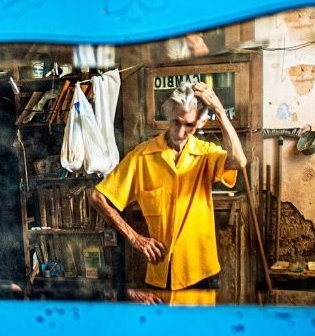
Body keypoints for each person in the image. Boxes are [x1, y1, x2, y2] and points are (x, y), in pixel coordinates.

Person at [90, 82, 247, 305]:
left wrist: (219, 111)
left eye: (189, 125)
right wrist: (135, 238)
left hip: (200, 271)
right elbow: (97, 196)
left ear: (200, 122)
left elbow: (238, 161)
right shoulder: (141, 157)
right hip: (160, 270)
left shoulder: (206, 154)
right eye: (176, 122)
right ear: (167, 115)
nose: (181, 132)